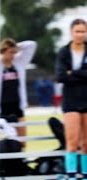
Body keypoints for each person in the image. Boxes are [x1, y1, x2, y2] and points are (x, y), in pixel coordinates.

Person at [0, 38, 37, 146]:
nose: (13, 55)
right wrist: (2, 45)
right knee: (4, 142)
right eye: (10, 52)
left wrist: (15, 45)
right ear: (3, 51)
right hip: (2, 107)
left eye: (14, 52)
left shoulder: (19, 63)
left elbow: (32, 45)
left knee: (22, 141)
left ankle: (21, 160)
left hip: (17, 106)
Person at [55, 18, 87, 180]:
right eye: (77, 31)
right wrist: (81, 73)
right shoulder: (63, 52)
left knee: (86, 142)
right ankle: (71, 173)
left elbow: (71, 74)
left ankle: (85, 173)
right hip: (71, 101)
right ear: (71, 33)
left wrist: (73, 72)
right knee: (72, 140)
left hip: (86, 99)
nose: (80, 34)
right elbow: (60, 76)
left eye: (83, 31)